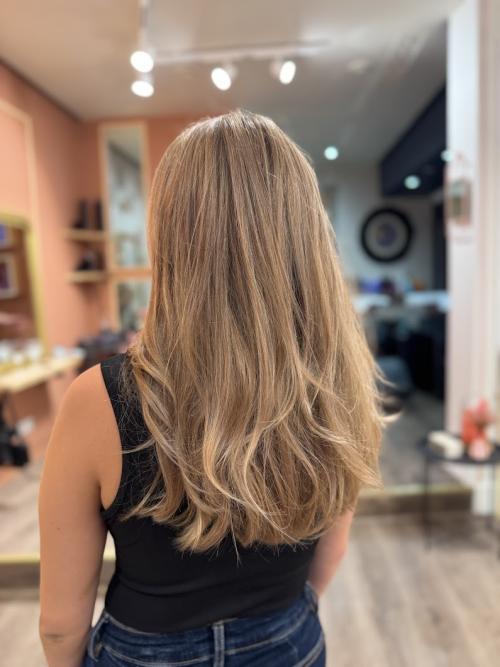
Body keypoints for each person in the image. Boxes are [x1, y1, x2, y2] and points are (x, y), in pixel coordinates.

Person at [39, 110, 384, 667]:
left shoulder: (98, 400)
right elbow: (332, 550)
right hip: (288, 639)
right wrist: (280, 628)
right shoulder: (341, 381)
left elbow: (60, 624)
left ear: (170, 235)